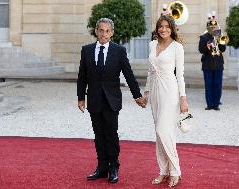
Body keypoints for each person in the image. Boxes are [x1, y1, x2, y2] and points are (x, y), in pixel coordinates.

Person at [77, 18, 146, 183]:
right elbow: (82, 76)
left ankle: (113, 167)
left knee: (111, 134)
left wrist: (137, 95)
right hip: (94, 99)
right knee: (98, 134)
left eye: (107, 31)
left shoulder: (119, 51)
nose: (104, 34)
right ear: (96, 31)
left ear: (112, 33)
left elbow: (128, 74)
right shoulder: (86, 50)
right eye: (101, 30)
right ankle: (102, 167)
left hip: (111, 100)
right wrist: (81, 97)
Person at [143, 15, 188, 187]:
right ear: (157, 28)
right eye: (160, 26)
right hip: (155, 91)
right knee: (159, 133)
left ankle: (175, 170)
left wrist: (183, 98)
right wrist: (146, 93)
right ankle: (163, 170)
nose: (163, 29)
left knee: (164, 130)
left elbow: (180, 75)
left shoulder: (177, 47)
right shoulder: (152, 44)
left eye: (167, 26)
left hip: (170, 91)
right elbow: (150, 71)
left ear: (172, 28)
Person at [198, 13, 226, 111]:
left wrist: (218, 39)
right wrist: (207, 46)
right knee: (208, 85)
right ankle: (210, 104)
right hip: (207, 64)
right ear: (208, 27)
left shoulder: (219, 35)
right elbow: (201, 50)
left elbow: (223, 49)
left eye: (214, 27)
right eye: (211, 27)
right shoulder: (203, 37)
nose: (213, 28)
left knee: (218, 85)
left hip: (218, 64)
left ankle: (216, 104)